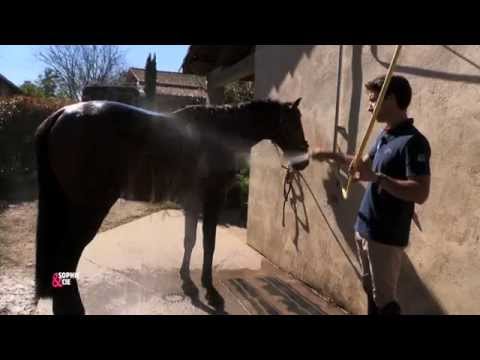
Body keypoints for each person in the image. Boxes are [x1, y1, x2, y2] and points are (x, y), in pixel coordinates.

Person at [311, 75, 431, 315]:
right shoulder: (385, 135)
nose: (369, 106)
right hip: (364, 228)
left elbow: (420, 192)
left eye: (374, 100)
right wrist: (333, 156)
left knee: (385, 301)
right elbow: (361, 166)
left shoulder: (413, 142)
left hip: (385, 235)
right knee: (370, 290)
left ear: (392, 99)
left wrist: (377, 178)